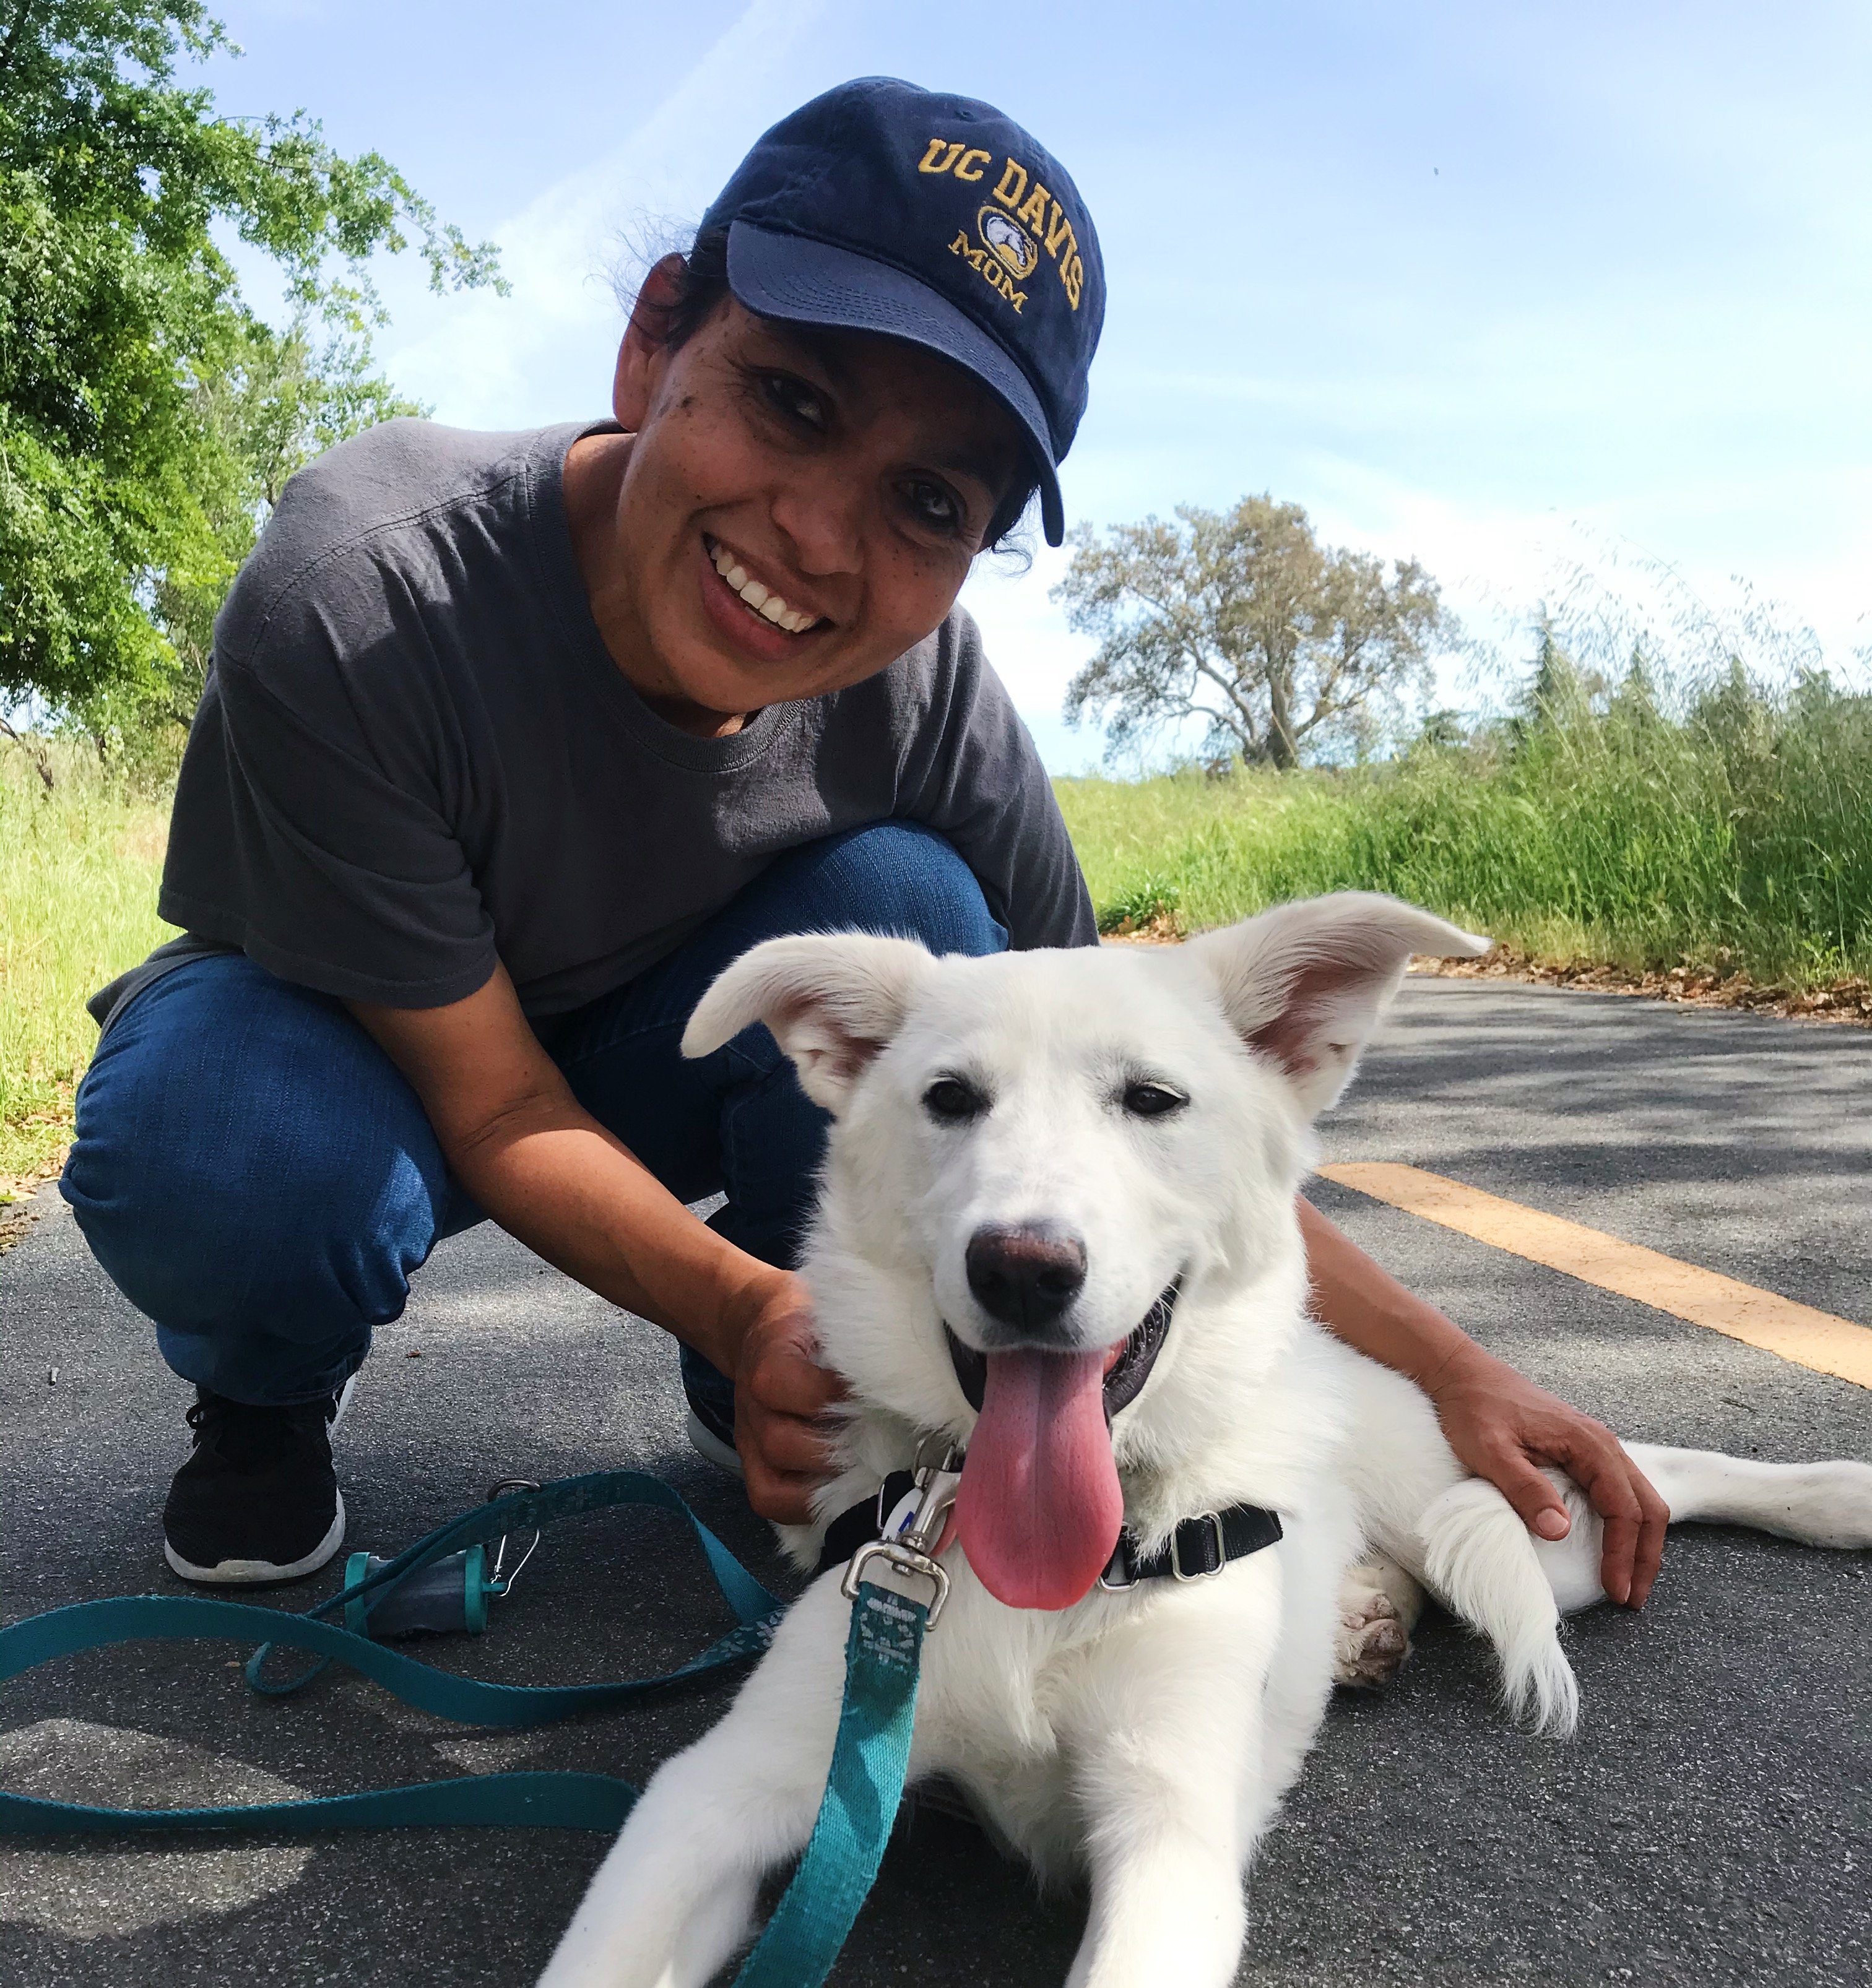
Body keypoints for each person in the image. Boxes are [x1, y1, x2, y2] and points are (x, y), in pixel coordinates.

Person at [60, 76, 1666, 1606]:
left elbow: (1144, 1093)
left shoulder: (936, 702)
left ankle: (788, 1394)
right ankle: (263, 1401)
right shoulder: (365, 588)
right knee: (229, 1144)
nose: (819, 538)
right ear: (653, 342)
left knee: (923, 913)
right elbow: (494, 1101)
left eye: (929, 503)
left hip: (648, 1044)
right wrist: (749, 1294)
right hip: (357, 1048)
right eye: (790, 399)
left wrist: (1458, 1374)